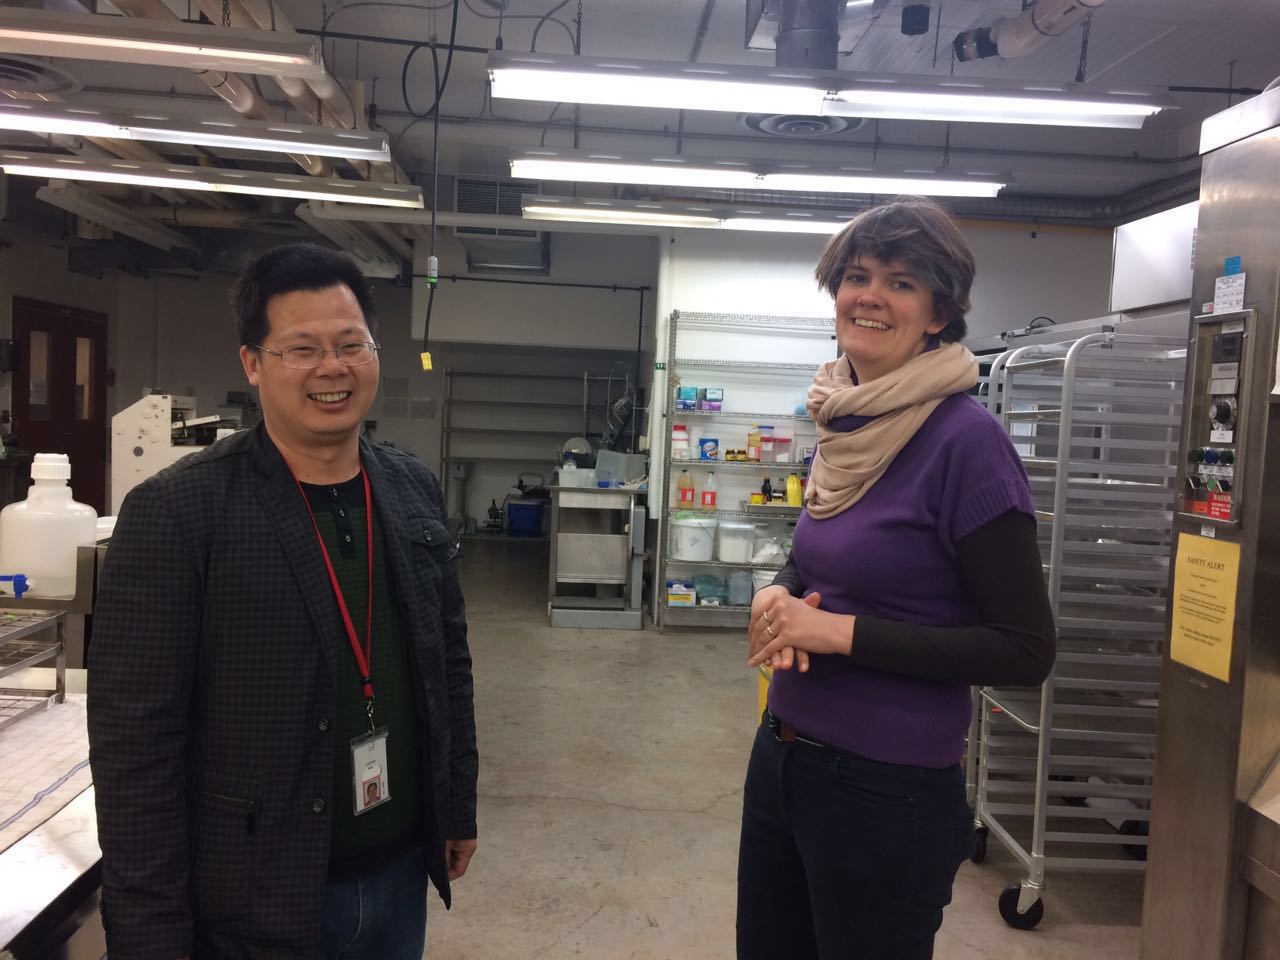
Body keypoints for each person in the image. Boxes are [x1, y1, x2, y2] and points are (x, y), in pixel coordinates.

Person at [88, 244, 478, 960]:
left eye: (351, 345)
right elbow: (134, 747)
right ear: (252, 363)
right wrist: (147, 933)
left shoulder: (409, 487)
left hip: (398, 875)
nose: (333, 368)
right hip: (255, 893)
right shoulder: (179, 512)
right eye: (302, 349)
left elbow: (447, 663)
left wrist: (455, 805)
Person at [737, 198, 1055, 960]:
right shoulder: (843, 422)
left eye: (901, 282)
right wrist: (778, 588)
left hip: (887, 792)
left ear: (938, 314)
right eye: (857, 276)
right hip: (782, 759)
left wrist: (838, 634)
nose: (870, 296)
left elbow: (1024, 649)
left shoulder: (967, 444)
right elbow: (819, 552)